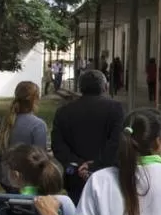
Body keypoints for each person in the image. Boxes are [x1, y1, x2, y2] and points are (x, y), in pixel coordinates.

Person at [51, 70, 125, 204]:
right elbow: (117, 142)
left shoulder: (64, 111)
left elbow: (58, 145)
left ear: (80, 87)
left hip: (75, 177)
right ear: (105, 87)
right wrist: (96, 165)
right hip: (106, 175)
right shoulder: (115, 109)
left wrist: (79, 165)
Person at [0, 82, 49, 194]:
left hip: (6, 177)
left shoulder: (5, 122)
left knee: (13, 205)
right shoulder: (38, 125)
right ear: (35, 99)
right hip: (27, 181)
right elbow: (40, 157)